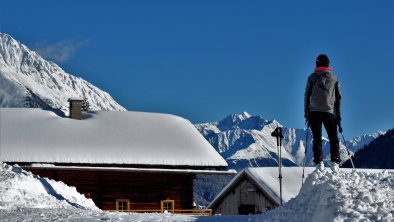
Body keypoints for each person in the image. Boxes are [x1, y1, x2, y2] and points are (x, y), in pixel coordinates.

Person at [304, 54, 342, 172]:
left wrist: (306, 112)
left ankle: (319, 163)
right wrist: (338, 114)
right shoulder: (334, 78)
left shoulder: (311, 78)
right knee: (333, 138)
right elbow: (339, 97)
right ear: (328, 64)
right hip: (329, 111)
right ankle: (334, 162)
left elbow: (306, 95)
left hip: (314, 111)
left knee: (317, 138)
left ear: (317, 64)